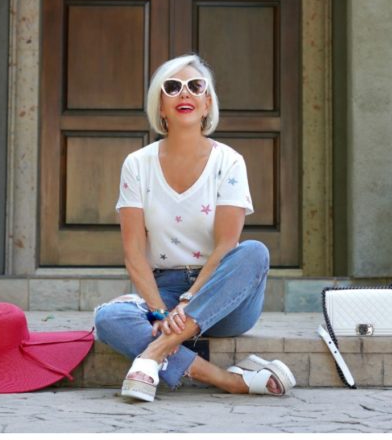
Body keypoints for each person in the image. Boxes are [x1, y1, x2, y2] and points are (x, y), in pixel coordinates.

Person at [93, 54, 295, 401]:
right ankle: (228, 380)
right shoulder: (137, 165)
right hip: (164, 290)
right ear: (160, 106)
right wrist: (160, 310)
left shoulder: (229, 161)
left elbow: (225, 247)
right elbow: (133, 253)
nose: (184, 94)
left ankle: (154, 354)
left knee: (254, 252)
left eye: (195, 87)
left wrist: (188, 303)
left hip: (222, 294)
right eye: (172, 88)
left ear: (207, 103)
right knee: (109, 318)